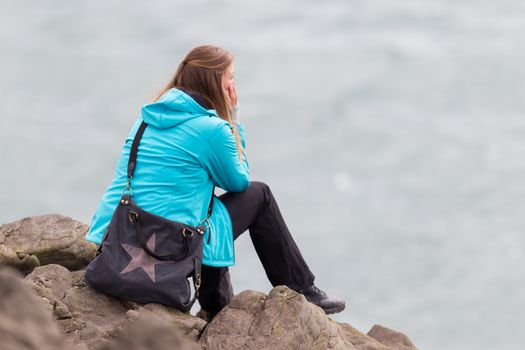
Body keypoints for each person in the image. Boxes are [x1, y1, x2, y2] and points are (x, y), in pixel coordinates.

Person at [85, 45, 345, 319]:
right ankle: (302, 289)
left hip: (117, 234)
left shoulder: (145, 118)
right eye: (230, 77)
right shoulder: (212, 129)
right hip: (169, 243)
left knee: (208, 210)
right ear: (214, 82)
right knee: (258, 195)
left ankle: (216, 302)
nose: (233, 84)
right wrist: (233, 119)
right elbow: (238, 181)